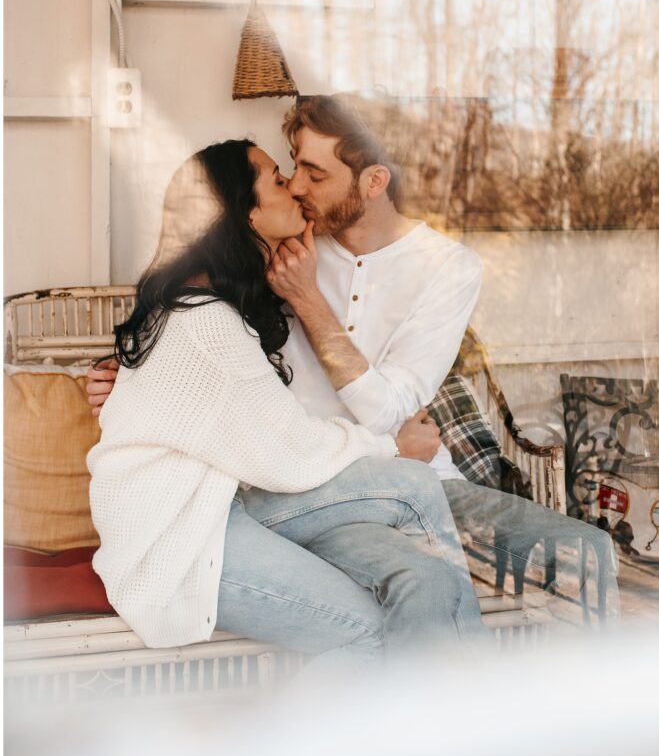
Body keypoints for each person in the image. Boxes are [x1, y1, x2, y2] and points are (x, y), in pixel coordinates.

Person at [89, 96, 619, 624]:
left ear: (373, 181)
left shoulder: (449, 268)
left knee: (583, 548)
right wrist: (131, 381)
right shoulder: (277, 242)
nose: (296, 185)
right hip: (302, 482)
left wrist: (308, 302)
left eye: (314, 174)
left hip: (414, 470)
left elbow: (390, 412)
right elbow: (196, 332)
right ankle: (458, 690)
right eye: (291, 168)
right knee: (417, 579)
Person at [87, 139, 489, 662]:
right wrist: (392, 446)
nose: (295, 188)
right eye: (278, 179)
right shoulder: (205, 321)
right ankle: (468, 689)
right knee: (371, 623)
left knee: (421, 557)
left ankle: (454, 691)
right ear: (241, 212)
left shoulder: (202, 302)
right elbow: (290, 453)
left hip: (218, 503)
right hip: (180, 537)